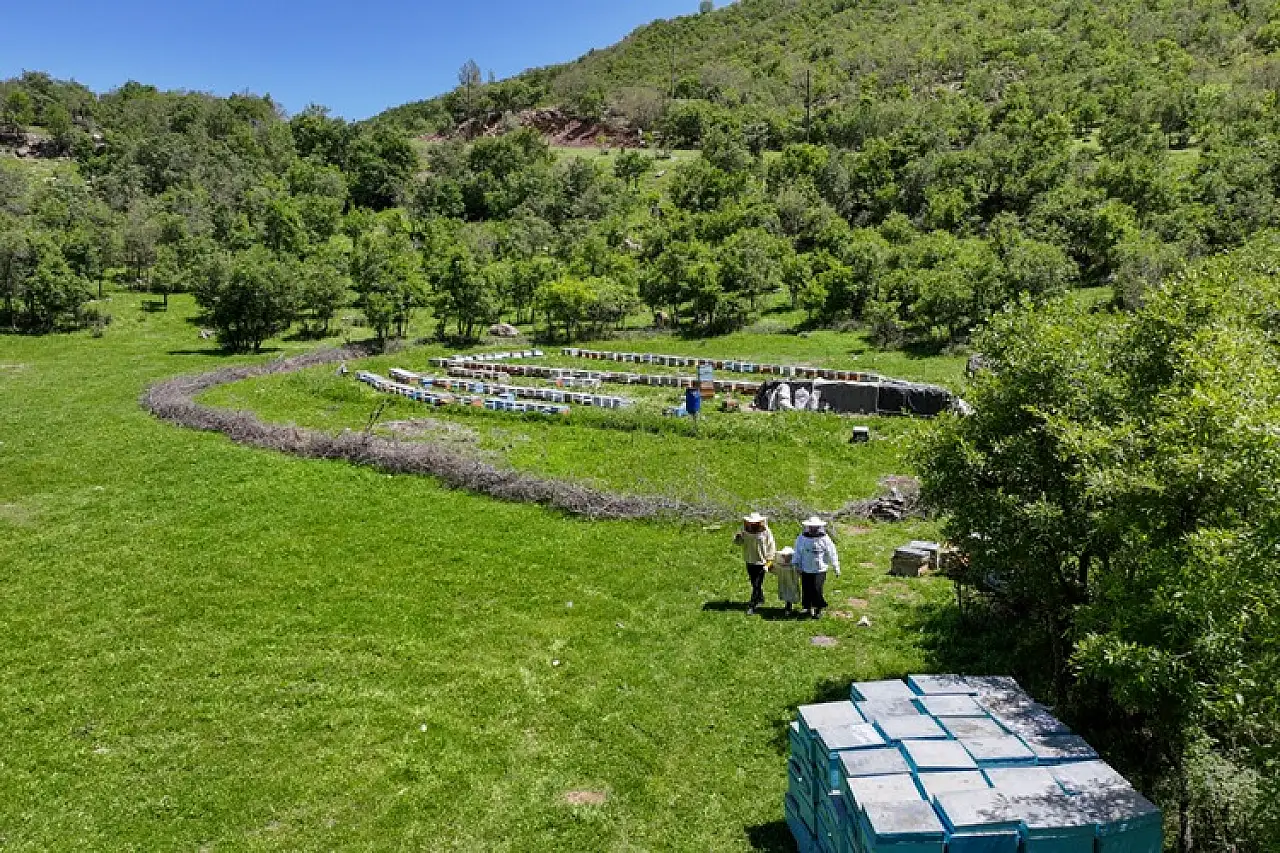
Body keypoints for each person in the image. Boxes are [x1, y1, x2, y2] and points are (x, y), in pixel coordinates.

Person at [793, 516, 840, 618]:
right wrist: (796, 564)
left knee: (817, 588)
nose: (813, 529)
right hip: (805, 568)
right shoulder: (801, 538)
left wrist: (836, 566)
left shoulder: (825, 539)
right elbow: (797, 552)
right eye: (811, 527)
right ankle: (808, 608)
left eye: (815, 527)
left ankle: (818, 609)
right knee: (807, 588)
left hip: (820, 569)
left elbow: (832, 552)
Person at [734, 512, 776, 615]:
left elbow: (771, 546)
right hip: (749, 560)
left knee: (757, 584)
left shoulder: (766, 532)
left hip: (761, 562)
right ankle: (760, 598)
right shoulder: (745, 530)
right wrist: (738, 538)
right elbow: (739, 543)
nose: (753, 524)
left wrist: (769, 561)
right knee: (754, 582)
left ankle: (752, 605)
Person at [773, 546, 800, 614]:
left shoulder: (794, 565)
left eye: (788, 556)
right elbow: (774, 569)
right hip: (783, 583)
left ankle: (789, 607)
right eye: (784, 556)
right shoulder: (781, 565)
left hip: (792, 583)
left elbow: (799, 572)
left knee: (791, 594)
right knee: (785, 594)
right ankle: (788, 606)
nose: (786, 557)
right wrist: (768, 566)